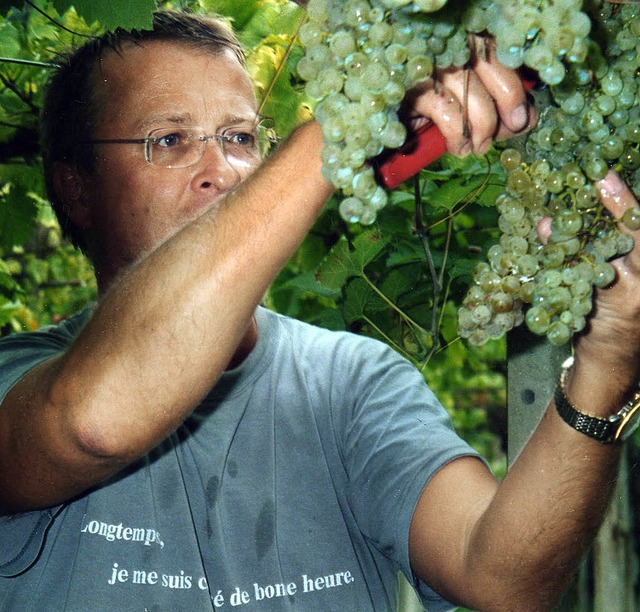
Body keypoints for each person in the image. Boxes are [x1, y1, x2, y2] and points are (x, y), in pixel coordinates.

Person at [0, 8, 637, 612]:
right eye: (168, 140)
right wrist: (355, 116)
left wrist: (606, 366)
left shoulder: (352, 383)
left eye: (241, 138)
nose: (220, 170)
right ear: (75, 189)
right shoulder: (15, 379)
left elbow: (502, 579)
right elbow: (93, 420)